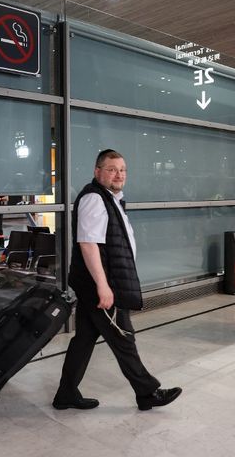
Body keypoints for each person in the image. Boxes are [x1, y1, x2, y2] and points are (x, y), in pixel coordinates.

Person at [53, 149, 181, 411]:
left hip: (99, 283)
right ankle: (147, 392)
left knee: (85, 339)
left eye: (122, 169)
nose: (118, 174)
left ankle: (65, 394)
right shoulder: (94, 199)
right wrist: (103, 286)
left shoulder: (109, 199)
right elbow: (88, 245)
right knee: (123, 338)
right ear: (97, 171)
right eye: (111, 169)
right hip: (100, 285)